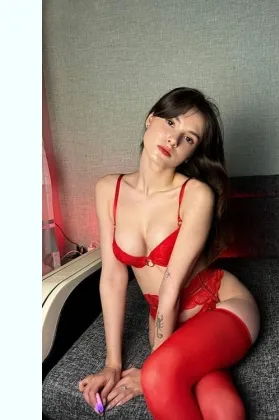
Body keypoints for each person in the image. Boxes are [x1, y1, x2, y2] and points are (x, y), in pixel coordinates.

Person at [78, 87, 260, 419]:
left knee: (158, 377)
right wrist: (113, 364)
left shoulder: (196, 195)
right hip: (168, 321)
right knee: (224, 409)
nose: (174, 139)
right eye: (171, 122)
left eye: (189, 138)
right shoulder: (108, 190)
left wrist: (155, 365)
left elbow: (170, 288)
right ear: (151, 119)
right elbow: (113, 278)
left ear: (192, 153)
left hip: (221, 305)